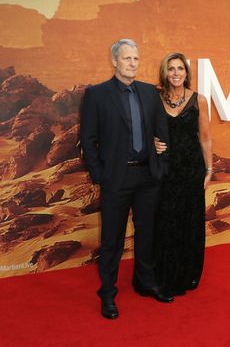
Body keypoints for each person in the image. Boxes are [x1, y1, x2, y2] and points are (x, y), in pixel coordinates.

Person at [80, 39, 174, 320]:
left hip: (147, 176)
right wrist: (100, 175)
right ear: (114, 61)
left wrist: (161, 160)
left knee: (147, 234)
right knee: (112, 240)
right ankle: (107, 293)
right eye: (126, 58)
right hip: (116, 180)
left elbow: (162, 132)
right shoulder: (97, 94)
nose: (132, 63)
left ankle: (145, 282)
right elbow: (88, 138)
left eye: (135, 58)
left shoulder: (148, 92)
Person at [153, 52, 212, 297]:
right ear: (164, 73)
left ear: (187, 74)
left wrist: (209, 169)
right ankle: (167, 276)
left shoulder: (200, 100)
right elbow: (144, 131)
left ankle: (189, 274)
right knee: (166, 222)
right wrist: (152, 144)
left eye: (180, 69)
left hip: (191, 168)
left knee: (190, 221)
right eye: (171, 69)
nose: (176, 73)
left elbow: (206, 137)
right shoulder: (155, 99)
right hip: (165, 169)